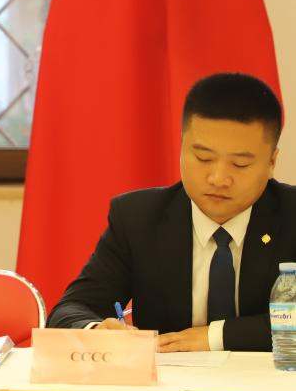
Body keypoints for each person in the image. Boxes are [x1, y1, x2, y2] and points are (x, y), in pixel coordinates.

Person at [47, 72, 295, 352]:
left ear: (272, 161)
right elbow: (70, 310)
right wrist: (96, 331)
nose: (218, 178)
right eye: (203, 158)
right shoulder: (137, 218)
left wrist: (214, 337)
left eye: (240, 164)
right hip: (169, 379)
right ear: (181, 147)